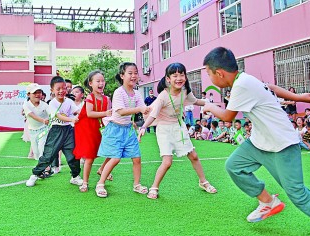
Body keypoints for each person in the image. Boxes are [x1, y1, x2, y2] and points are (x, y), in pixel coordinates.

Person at [202, 47, 310, 235]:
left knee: (296, 193)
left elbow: (227, 116)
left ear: (219, 73)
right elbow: (271, 88)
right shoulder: (245, 79)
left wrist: (209, 106)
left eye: (209, 74)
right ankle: (267, 201)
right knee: (234, 166)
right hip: (260, 142)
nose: (210, 79)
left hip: (282, 144)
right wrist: (297, 97)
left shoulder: (242, 85)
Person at [138, 62, 217, 199]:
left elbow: (195, 101)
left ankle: (203, 182)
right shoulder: (163, 96)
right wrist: (144, 127)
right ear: (168, 79)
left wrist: (210, 104)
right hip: (164, 129)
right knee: (167, 162)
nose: (179, 78)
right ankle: (154, 187)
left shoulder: (185, 92)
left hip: (179, 127)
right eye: (175, 75)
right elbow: (153, 114)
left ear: (185, 77)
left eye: (181, 75)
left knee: (193, 156)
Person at [95, 62, 150, 198]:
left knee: (136, 158)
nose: (133, 76)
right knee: (115, 158)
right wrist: (139, 110)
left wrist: (149, 117)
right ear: (122, 76)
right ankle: (100, 183)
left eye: (135, 73)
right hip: (115, 129)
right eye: (130, 73)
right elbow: (120, 112)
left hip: (128, 129)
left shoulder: (137, 93)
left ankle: (137, 185)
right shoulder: (119, 92)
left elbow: (144, 110)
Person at [26, 76, 83, 187]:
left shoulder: (69, 101)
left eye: (64, 88)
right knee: (48, 156)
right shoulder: (52, 103)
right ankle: (35, 174)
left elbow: (77, 111)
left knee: (74, 156)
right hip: (56, 131)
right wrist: (72, 119)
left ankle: (75, 177)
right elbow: (59, 116)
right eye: (58, 89)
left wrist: (85, 113)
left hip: (69, 131)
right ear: (52, 90)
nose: (61, 91)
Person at [73, 70, 114, 192]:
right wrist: (105, 113)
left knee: (113, 152)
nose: (101, 83)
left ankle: (102, 169)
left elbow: (109, 115)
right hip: (88, 129)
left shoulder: (107, 99)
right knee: (90, 157)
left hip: (101, 129)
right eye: (98, 81)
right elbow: (90, 113)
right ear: (90, 83)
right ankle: (85, 182)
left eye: (103, 81)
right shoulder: (90, 97)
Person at [23, 83, 50, 161]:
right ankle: (42, 166)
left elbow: (51, 113)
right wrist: (43, 120)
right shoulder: (26, 105)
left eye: (39, 92)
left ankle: (45, 169)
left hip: (44, 129)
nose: (38, 95)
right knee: (36, 153)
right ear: (28, 94)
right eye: (35, 93)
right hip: (32, 131)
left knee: (42, 147)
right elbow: (32, 115)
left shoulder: (45, 105)